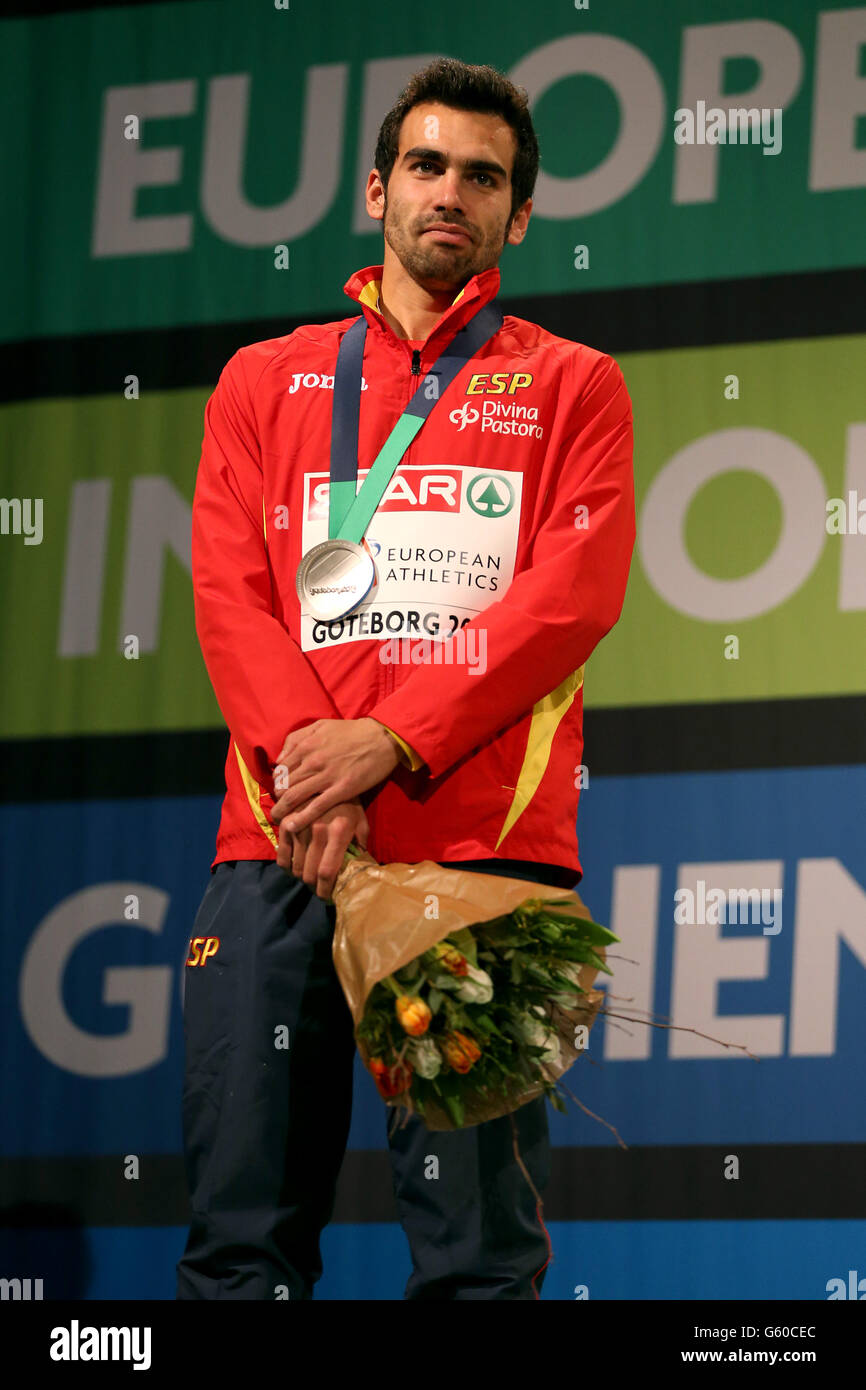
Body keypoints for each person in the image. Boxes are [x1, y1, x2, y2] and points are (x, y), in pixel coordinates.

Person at [177, 56, 635, 1301]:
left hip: (478, 864)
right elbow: (229, 597)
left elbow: (567, 602)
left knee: (477, 1259)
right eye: (426, 166)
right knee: (237, 1245)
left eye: (483, 177)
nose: (451, 193)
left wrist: (388, 743)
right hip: (278, 848)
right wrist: (315, 777)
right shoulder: (263, 382)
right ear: (375, 187)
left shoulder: (570, 385)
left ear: (518, 215)